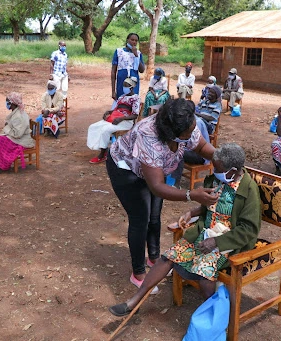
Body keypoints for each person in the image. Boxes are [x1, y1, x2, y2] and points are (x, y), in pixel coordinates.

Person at [109, 143, 261, 316]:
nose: (215, 172)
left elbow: (249, 229)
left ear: (233, 170)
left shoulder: (249, 190)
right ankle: (133, 303)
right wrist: (192, 212)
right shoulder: (216, 180)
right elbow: (210, 206)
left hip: (229, 242)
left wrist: (215, 242)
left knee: (204, 273)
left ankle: (213, 318)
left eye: (218, 169)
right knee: (168, 257)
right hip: (205, 232)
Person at [106, 98, 217, 294]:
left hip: (155, 169)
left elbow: (200, 147)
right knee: (141, 219)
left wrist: (222, 158)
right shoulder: (148, 136)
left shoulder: (183, 122)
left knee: (155, 217)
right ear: (171, 134)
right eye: (189, 132)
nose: (193, 133)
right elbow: (157, 186)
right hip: (126, 170)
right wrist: (192, 195)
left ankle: (154, 258)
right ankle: (138, 274)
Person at [170, 86, 223, 185]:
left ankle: (175, 183)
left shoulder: (216, 106)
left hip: (207, 126)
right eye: (209, 92)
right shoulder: (204, 102)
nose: (209, 94)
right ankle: (172, 180)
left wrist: (198, 115)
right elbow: (196, 110)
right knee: (177, 150)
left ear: (217, 96)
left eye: (212, 93)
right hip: (197, 132)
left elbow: (211, 118)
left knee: (179, 153)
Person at [87, 77, 140, 164]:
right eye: (123, 85)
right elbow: (116, 109)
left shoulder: (135, 98)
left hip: (126, 122)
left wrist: (121, 118)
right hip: (116, 118)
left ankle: (102, 155)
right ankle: (101, 147)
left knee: (105, 130)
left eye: (126, 86)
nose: (124, 88)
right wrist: (108, 112)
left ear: (131, 87)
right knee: (93, 127)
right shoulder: (122, 97)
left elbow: (134, 115)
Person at [0, 92, 34, 177]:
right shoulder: (16, 112)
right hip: (15, 138)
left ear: (12, 103)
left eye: (7, 101)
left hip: (21, 141)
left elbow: (17, 134)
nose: (6, 104)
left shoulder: (18, 116)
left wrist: (7, 127)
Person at [111, 33, 145, 101]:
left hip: (133, 82)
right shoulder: (119, 51)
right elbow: (113, 71)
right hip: (122, 81)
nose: (134, 42)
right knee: (121, 101)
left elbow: (142, 70)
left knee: (133, 101)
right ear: (127, 40)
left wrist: (136, 55)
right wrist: (113, 91)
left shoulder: (138, 53)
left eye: (136, 41)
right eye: (132, 40)